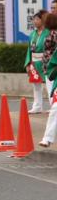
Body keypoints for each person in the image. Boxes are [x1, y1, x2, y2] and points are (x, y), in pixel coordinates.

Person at [25, 10, 50, 114]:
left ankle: (53, 105)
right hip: (34, 62)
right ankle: (37, 106)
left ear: (42, 20)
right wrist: (28, 63)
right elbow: (29, 49)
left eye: (37, 19)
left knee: (50, 85)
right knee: (36, 86)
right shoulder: (32, 34)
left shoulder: (48, 32)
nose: (34, 21)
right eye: (33, 19)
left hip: (46, 62)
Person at [40, 14, 57, 147]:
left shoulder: (52, 34)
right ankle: (47, 138)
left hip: (49, 72)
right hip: (52, 74)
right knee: (55, 106)